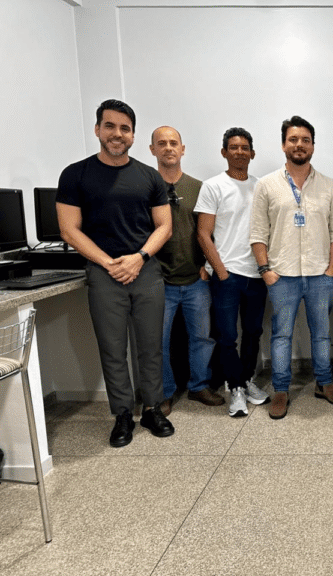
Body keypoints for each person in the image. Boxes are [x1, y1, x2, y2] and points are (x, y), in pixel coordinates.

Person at [56, 99, 174, 447]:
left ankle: (152, 408)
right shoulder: (75, 174)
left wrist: (138, 257)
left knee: (151, 346)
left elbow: (164, 226)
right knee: (112, 348)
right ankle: (123, 414)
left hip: (146, 270)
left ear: (133, 135)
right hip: (103, 273)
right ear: (97, 129)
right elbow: (69, 229)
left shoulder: (149, 176)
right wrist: (109, 263)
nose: (117, 134)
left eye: (124, 128)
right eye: (110, 126)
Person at [250, 116, 333, 420]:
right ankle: (281, 390)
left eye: (305, 140)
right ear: (283, 145)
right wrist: (266, 269)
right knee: (281, 336)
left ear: (313, 146)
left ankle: (324, 383)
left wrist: (331, 270)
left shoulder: (329, 186)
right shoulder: (266, 185)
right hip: (282, 276)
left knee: (321, 334)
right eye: (293, 139)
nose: (299, 145)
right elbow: (257, 233)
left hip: (321, 275)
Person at [194, 127, 271, 418]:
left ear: (252, 153)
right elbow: (204, 233)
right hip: (227, 275)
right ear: (224, 152)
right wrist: (220, 271)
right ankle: (234, 387)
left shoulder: (261, 186)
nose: (239, 152)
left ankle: (247, 379)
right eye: (233, 147)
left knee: (253, 331)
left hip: (257, 273)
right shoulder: (213, 186)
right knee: (227, 336)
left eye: (245, 147)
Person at [149, 126, 222, 414]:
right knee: (159, 342)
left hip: (196, 279)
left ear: (183, 149)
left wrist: (206, 267)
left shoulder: (199, 188)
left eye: (173, 143)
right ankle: (164, 392)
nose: (168, 148)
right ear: (152, 149)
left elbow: (210, 232)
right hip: (159, 281)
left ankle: (199, 386)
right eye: (162, 143)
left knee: (202, 337)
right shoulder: (145, 186)